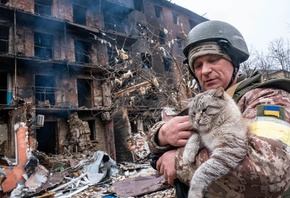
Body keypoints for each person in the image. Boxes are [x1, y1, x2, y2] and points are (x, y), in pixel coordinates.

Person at [147, 20, 290, 197]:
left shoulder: (268, 99)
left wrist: (178, 163)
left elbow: (268, 171)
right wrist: (160, 136)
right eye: (197, 65)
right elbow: (160, 140)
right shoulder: (204, 103)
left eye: (213, 60)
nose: (205, 70)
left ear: (234, 63)